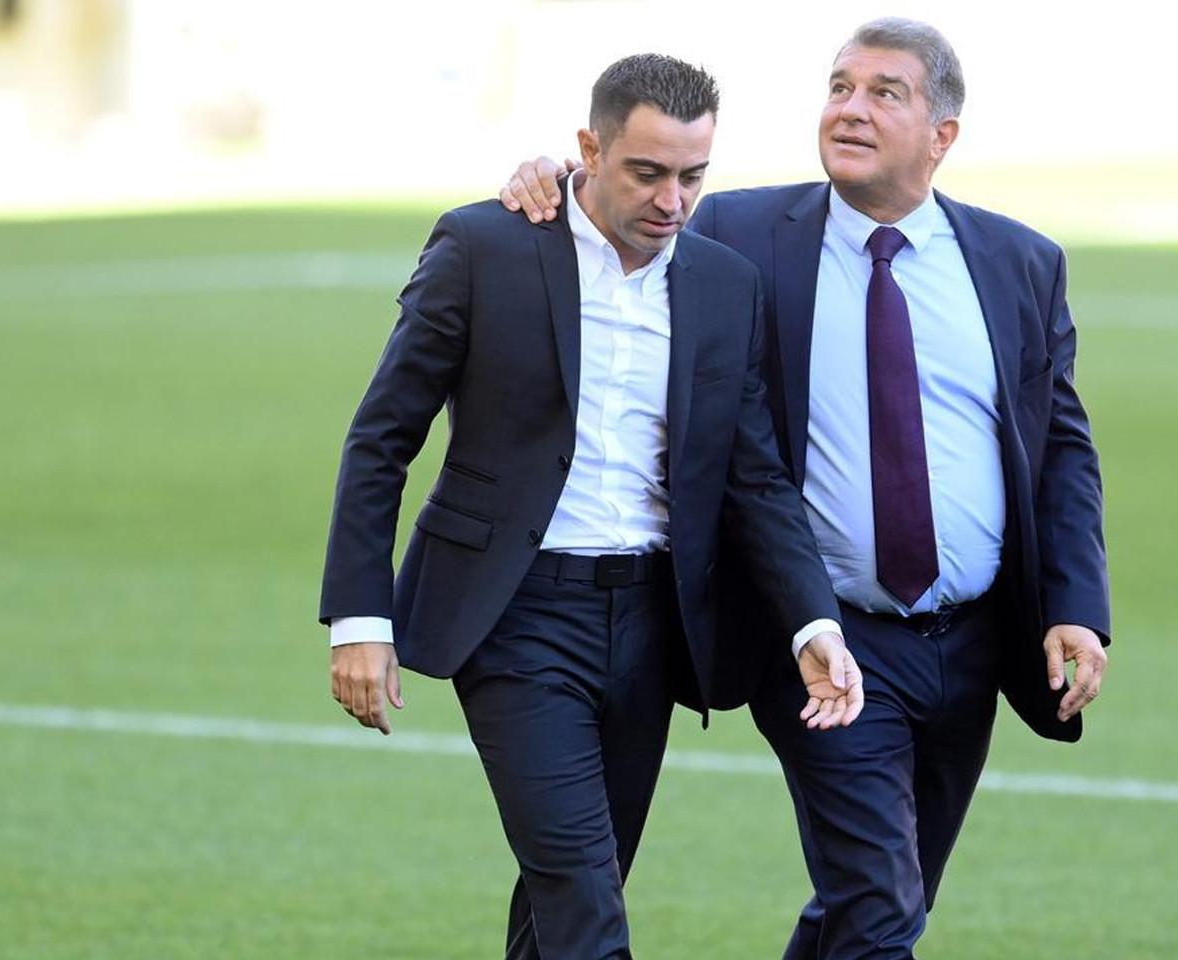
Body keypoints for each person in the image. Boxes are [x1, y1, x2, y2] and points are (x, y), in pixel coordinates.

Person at [501, 18, 1111, 958]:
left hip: (973, 641)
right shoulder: (741, 233)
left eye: (884, 92)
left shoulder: (1020, 263)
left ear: (942, 133)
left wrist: (1075, 604)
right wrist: (541, 177)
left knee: (883, 902)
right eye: (839, 86)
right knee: (876, 903)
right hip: (824, 632)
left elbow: (1060, 446)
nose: (850, 108)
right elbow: (617, 201)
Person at [320, 53, 864, 960]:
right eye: (647, 172)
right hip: (515, 615)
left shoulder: (726, 286)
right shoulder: (482, 248)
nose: (672, 200)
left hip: (655, 623)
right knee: (586, 905)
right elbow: (383, 436)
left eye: (693, 176)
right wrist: (358, 618)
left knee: (573, 892)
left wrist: (815, 625)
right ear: (588, 150)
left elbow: (756, 479)